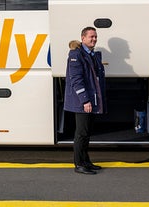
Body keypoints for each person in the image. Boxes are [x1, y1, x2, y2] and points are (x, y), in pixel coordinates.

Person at [64, 26, 107, 175]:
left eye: (95, 37)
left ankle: (86, 161)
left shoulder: (91, 54)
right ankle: (79, 164)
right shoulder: (76, 54)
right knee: (81, 133)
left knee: (87, 132)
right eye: (91, 37)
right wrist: (85, 100)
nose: (94, 39)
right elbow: (76, 79)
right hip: (82, 101)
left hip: (90, 100)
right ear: (83, 38)